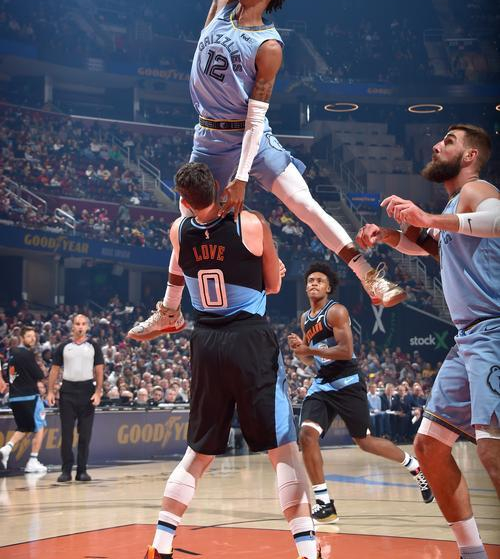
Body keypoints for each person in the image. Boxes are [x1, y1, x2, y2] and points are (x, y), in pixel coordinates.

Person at [160, 0, 404, 317]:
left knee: (305, 204)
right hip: (208, 138)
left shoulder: (269, 46)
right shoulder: (220, 6)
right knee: (185, 221)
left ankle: (371, 277)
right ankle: (170, 310)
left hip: (250, 138)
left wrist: (240, 177)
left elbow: (255, 119)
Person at [129, 162, 320, 559]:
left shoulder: (178, 230)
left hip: (205, 340)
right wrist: (270, 264)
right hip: (249, 339)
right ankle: (307, 549)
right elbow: (273, 284)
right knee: (283, 449)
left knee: (197, 453)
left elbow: (185, 270)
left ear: (183, 201)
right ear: (218, 187)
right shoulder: (251, 223)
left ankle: (160, 544)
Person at [356, 123, 500, 559]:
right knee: (429, 448)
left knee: (493, 452)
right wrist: (388, 235)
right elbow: (432, 248)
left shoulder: (477, 191)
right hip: (467, 339)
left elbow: (497, 220)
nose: (437, 145)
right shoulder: (455, 208)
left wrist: (427, 219)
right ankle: (472, 553)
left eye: (449, 141)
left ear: (470, 156)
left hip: (493, 331)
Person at [287, 262, 433, 524]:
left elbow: (345, 351)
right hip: (322, 384)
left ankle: (414, 466)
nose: (313, 283)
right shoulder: (305, 318)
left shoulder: (336, 311)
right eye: (310, 280)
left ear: (328, 288)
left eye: (319, 280)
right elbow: (310, 359)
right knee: (306, 436)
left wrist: (309, 350)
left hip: (347, 383)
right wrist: (300, 350)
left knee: (365, 442)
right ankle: (324, 503)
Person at [47, 314, 104, 483]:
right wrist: (50, 391)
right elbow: (54, 370)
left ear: (88, 327)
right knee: (66, 434)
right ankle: (66, 470)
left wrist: (98, 392)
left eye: (83, 324)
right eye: (77, 324)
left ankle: (82, 471)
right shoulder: (63, 346)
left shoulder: (94, 346)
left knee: (85, 435)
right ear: (72, 326)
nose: (80, 326)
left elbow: (99, 370)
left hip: (87, 392)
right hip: (67, 392)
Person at [0, 326, 48, 473]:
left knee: (24, 427)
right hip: (30, 397)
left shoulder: (12, 355)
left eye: (34, 336)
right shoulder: (27, 354)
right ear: (22, 337)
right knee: (40, 427)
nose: (32, 339)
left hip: (15, 398)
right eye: (29, 336)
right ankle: (33, 460)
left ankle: (6, 449)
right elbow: (39, 375)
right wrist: (40, 368)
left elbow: (11, 376)